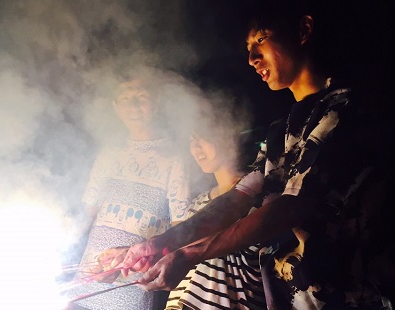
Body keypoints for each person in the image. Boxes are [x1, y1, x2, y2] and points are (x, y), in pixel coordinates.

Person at [119, 0, 389, 309]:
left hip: (353, 299)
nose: (251, 58)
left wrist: (190, 254)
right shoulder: (279, 132)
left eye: (261, 39)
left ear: (304, 30)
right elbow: (239, 196)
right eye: (248, 47)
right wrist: (160, 244)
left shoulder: (343, 110)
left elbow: (291, 206)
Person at [65, 68, 191, 310]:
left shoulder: (173, 161)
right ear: (116, 106)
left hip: (131, 286)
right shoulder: (108, 155)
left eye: (141, 97)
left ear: (155, 103)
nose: (133, 105)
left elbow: (180, 228)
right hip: (87, 280)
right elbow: (88, 212)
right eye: (125, 98)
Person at [164, 101, 266, 310]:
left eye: (204, 136)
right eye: (192, 140)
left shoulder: (258, 196)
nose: (196, 147)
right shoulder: (199, 202)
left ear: (228, 135)